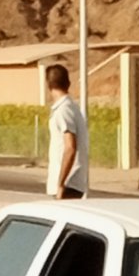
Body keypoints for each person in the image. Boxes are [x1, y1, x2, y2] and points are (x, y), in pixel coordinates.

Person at [45, 64, 89, 200]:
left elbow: (70, 147)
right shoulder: (71, 108)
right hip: (70, 183)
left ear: (49, 85)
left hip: (68, 184)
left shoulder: (64, 110)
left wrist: (61, 183)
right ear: (68, 83)